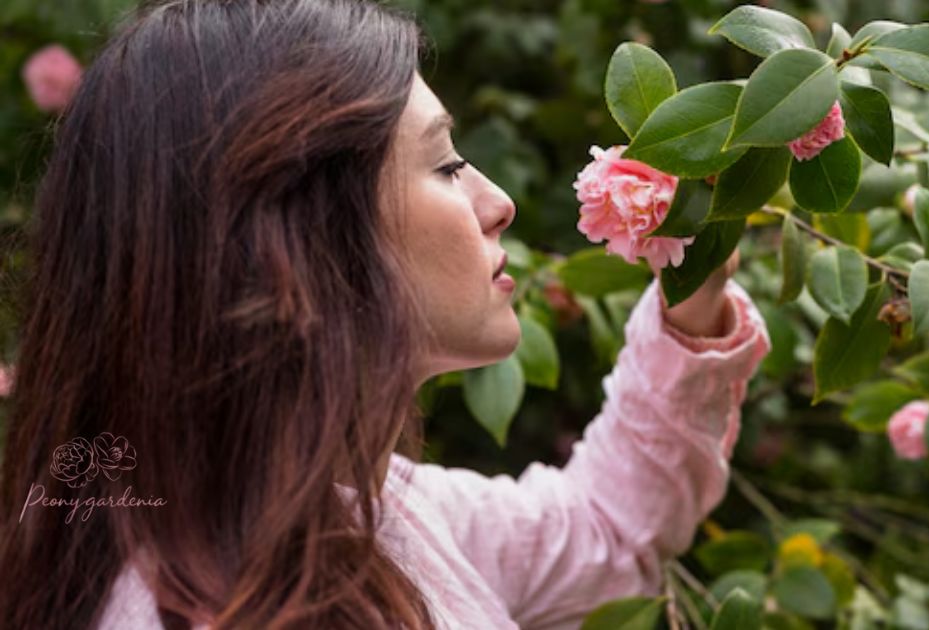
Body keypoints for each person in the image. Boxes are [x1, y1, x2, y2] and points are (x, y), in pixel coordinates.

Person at [0, 0, 771, 628]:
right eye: (443, 165)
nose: (497, 204)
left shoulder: (370, 515)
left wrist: (691, 298)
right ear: (290, 239)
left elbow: (603, 531)